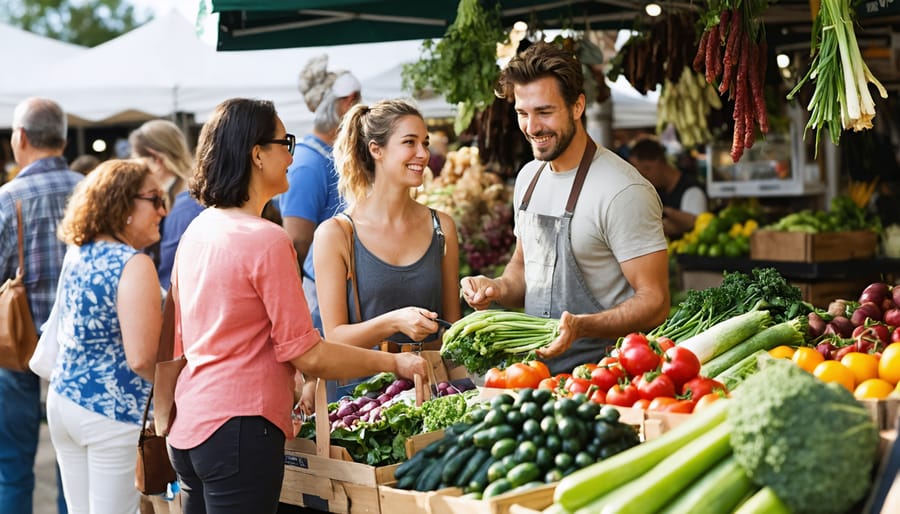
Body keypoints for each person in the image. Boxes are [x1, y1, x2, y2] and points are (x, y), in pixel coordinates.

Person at [166, 98, 427, 514]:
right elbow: (310, 353)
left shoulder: (201, 227)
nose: (292, 154)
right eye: (284, 142)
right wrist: (393, 365)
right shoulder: (267, 239)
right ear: (256, 154)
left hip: (189, 428)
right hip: (240, 430)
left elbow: (195, 336)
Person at [459, 42, 670, 375]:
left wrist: (583, 326)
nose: (532, 127)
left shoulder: (622, 189)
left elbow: (655, 301)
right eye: (522, 113)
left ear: (577, 106)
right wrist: (497, 288)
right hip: (538, 376)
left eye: (544, 112)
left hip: (608, 379)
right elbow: (522, 265)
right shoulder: (529, 178)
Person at [310, 100, 461, 399]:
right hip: (360, 405)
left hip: (427, 397)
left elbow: (451, 331)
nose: (423, 153)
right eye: (409, 142)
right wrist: (394, 321)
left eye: (425, 143)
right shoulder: (336, 234)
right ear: (376, 150)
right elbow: (335, 336)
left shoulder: (441, 227)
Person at [47, 158, 165, 514]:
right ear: (124, 204)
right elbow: (143, 358)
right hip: (111, 412)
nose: (163, 210)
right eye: (155, 199)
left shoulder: (79, 252)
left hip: (64, 400)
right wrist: (176, 397)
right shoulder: (133, 264)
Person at [0, 97, 82, 514]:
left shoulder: (6, 198)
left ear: (21, 138)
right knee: (74, 467)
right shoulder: (92, 190)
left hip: (16, 344)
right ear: (64, 140)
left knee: (12, 466)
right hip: (80, 347)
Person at [280, 58, 362, 333]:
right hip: (325, 300)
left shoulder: (327, 156)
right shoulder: (308, 162)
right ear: (347, 102)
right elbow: (296, 240)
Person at [129, 119, 204, 290]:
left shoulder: (186, 205)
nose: (136, 169)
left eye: (137, 160)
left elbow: (166, 269)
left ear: (156, 159)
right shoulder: (191, 196)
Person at [628, 138, 708, 239]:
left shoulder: (692, 191)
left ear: (654, 164)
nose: (643, 178)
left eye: (643, 172)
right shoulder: (656, 191)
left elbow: (698, 224)